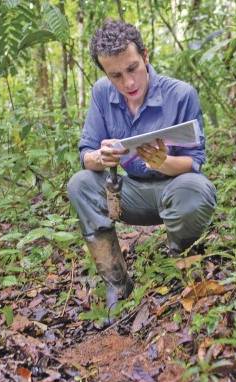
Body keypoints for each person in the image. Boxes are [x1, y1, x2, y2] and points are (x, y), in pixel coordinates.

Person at [67, 19, 217, 311]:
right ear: (105, 75)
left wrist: (164, 161)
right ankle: (117, 284)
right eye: (116, 76)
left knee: (198, 189)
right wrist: (100, 158)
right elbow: (86, 151)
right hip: (130, 193)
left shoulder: (181, 94)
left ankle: (181, 260)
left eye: (133, 68)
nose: (128, 83)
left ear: (145, 57)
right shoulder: (101, 93)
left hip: (174, 186)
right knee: (79, 183)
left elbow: (194, 162)